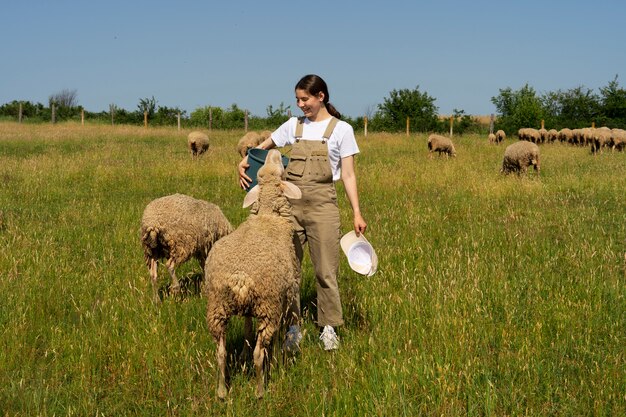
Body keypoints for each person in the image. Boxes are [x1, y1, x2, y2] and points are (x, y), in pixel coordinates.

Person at [238, 74, 367, 351]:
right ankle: (292, 327)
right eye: (297, 99)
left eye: (305, 99)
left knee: (326, 271)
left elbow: (348, 175)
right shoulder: (292, 127)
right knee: (289, 271)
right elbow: (259, 151)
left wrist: (357, 212)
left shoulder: (342, 130)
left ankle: (329, 327)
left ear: (321, 97)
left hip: (323, 207)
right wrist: (244, 162)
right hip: (290, 208)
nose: (300, 105)